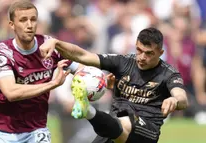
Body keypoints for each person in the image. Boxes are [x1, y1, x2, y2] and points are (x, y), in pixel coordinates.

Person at [39, 27, 189, 143]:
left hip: (146, 131)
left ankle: (88, 110)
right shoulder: (123, 62)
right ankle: (91, 113)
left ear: (160, 52)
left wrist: (174, 100)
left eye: (149, 53)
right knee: (120, 120)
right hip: (112, 127)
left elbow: (182, 97)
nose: (142, 57)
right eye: (139, 50)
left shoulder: (168, 74)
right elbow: (84, 56)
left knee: (125, 120)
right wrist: (56, 43)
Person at [0, 0, 83, 142]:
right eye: (23, 20)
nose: (29, 25)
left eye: (33, 19)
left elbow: (80, 68)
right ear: (12, 24)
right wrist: (53, 84)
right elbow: (11, 92)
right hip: (1, 131)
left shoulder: (49, 46)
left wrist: (98, 83)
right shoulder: (3, 51)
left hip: (36, 130)